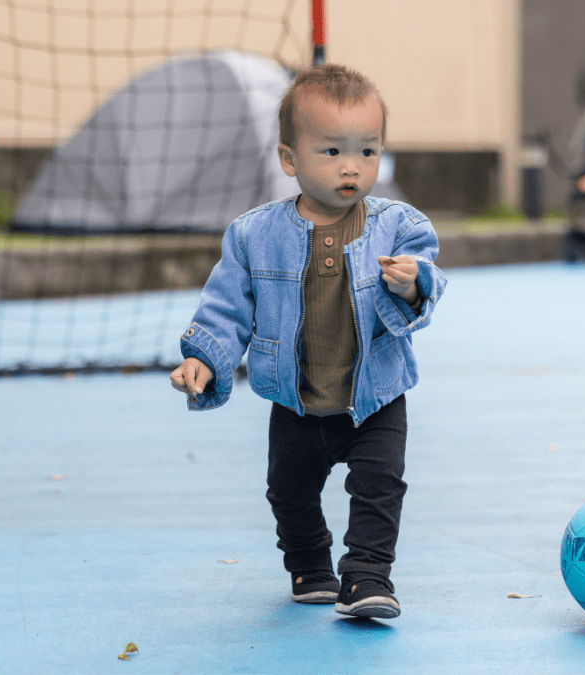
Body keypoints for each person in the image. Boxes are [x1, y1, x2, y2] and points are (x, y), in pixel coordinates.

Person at [170, 64, 446, 620]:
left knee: (379, 488)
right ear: (289, 160)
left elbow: (427, 280)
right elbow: (227, 305)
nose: (352, 167)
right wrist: (203, 356)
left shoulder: (399, 226)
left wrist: (414, 283)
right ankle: (309, 563)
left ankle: (368, 576)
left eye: (367, 152)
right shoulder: (254, 235)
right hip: (298, 400)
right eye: (332, 152)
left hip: (375, 395)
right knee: (288, 492)